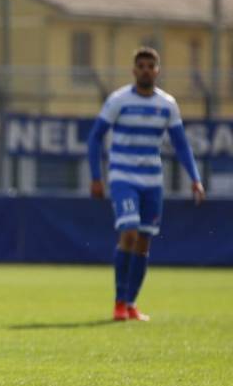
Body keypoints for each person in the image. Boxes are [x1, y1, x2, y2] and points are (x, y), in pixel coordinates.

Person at [87, 46, 205, 322]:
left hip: (153, 180)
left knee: (143, 242)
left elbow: (181, 144)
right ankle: (118, 302)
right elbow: (95, 138)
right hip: (123, 176)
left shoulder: (167, 104)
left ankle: (131, 303)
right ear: (133, 70)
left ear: (157, 71)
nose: (146, 71)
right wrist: (96, 176)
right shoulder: (118, 100)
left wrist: (195, 178)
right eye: (141, 66)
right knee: (128, 231)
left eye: (150, 66)